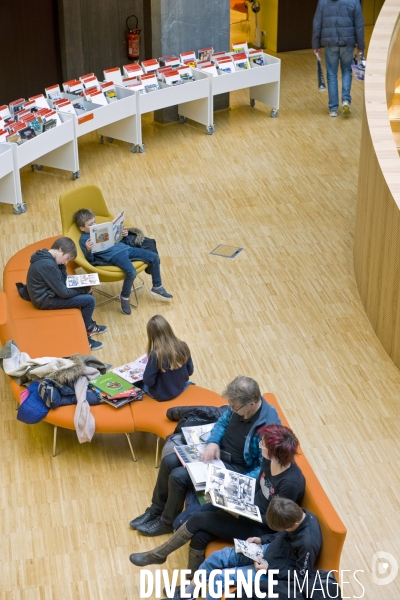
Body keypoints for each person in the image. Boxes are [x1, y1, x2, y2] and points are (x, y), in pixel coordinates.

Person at [129, 424, 305, 575]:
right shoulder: (269, 462)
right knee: (200, 533)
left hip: (261, 528)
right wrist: (234, 496)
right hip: (248, 509)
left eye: (263, 445)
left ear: (275, 453)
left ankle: (158, 555)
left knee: (199, 519)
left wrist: (238, 513)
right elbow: (257, 489)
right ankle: (190, 587)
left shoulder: (290, 483)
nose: (260, 446)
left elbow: (277, 522)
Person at [162, 496, 323, 600]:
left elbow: (301, 577)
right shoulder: (297, 514)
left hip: (272, 571)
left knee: (220, 578)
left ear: (294, 525)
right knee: (217, 557)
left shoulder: (308, 542)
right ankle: (189, 592)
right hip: (267, 550)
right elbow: (280, 535)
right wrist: (261, 539)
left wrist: (268, 569)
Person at [73, 208, 172, 316]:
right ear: (82, 228)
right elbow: (90, 260)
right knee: (131, 272)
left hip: (125, 248)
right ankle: (124, 296)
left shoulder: (102, 229)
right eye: (90, 224)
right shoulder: (84, 240)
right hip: (115, 255)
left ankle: (156, 286)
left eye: (94, 222)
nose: (94, 225)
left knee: (154, 256)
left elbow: (115, 240)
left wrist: (123, 235)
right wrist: (88, 250)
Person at [21, 236, 106, 351]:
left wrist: (62, 266)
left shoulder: (47, 256)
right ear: (60, 249)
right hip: (45, 301)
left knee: (86, 290)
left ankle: (89, 326)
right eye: (67, 258)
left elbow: (62, 280)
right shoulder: (48, 265)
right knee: (89, 300)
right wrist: (86, 289)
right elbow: (64, 293)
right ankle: (85, 338)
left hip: (49, 293)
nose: (66, 262)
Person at [312, 0, 365, 117]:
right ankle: (346, 100)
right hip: (348, 44)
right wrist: (360, 47)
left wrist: (316, 44)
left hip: (330, 44)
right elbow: (359, 26)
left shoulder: (323, 2)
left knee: (331, 74)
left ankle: (333, 108)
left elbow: (317, 24)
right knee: (346, 71)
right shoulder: (354, 1)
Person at [141, 315, 194, 401]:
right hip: (181, 387)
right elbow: (190, 371)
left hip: (162, 395)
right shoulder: (183, 345)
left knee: (138, 384)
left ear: (151, 335)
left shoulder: (155, 355)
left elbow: (148, 381)